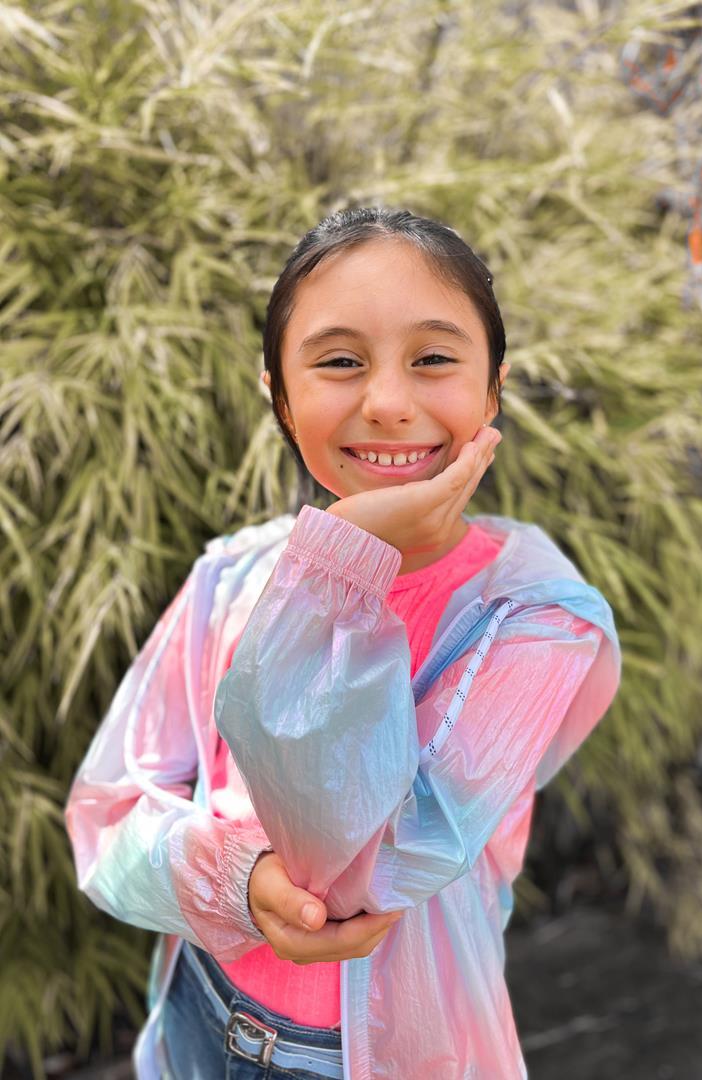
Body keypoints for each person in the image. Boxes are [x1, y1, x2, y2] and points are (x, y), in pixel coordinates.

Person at [64, 206, 622, 1080]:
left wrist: (343, 563)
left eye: (433, 359)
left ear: (493, 389)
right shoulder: (232, 578)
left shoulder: (537, 620)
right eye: (338, 362)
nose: (389, 403)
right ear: (280, 398)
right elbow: (107, 813)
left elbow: (360, 867)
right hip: (199, 1015)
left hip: (380, 1057)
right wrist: (235, 882)